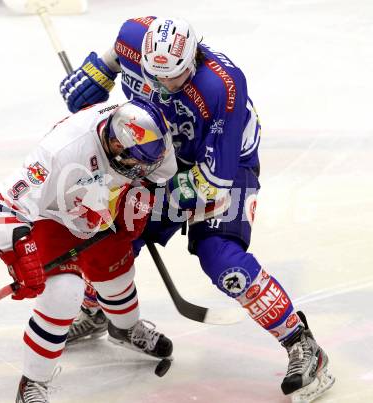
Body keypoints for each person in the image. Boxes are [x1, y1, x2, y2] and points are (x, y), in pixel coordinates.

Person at [59, 16, 335, 402]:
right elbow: (110, 63)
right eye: (153, 76)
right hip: (160, 152)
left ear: (192, 60)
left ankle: (303, 345)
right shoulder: (132, 36)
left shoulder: (222, 85)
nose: (160, 87)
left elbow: (212, 184)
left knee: (222, 259)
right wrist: (96, 75)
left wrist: (152, 202)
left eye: (171, 78)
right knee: (109, 234)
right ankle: (98, 307)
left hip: (225, 168)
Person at [0, 98, 176, 402]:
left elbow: (158, 172)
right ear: (115, 145)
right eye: (134, 163)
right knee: (63, 294)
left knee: (118, 273)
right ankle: (32, 384)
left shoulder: (152, 137)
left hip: (101, 204)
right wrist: (18, 255)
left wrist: (141, 194)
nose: (140, 167)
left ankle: (124, 330)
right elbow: (2, 202)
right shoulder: (61, 151)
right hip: (53, 215)